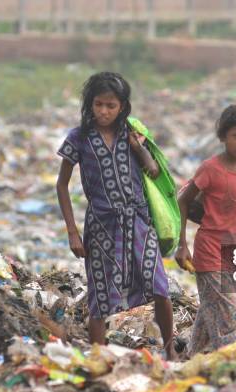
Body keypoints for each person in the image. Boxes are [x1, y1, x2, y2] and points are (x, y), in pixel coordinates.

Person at [55, 71, 176, 359]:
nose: (104, 111)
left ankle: (171, 351)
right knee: (100, 293)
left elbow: (154, 171)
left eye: (111, 105)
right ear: (89, 104)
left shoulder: (131, 133)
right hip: (101, 225)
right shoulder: (79, 137)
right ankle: (99, 356)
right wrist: (72, 231)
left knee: (159, 285)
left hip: (138, 220)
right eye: (98, 104)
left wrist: (138, 147)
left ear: (122, 106)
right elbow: (61, 184)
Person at [176, 104, 236, 355]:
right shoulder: (210, 169)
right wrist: (182, 245)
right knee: (229, 311)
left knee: (209, 308)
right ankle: (227, 360)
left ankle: (192, 357)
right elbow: (182, 200)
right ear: (223, 136)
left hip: (233, 249)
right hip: (210, 248)